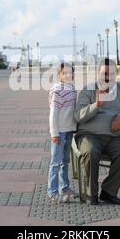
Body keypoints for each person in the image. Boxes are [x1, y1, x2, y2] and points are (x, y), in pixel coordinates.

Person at [74, 59, 120, 205]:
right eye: (104, 73)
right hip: (89, 135)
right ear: (98, 74)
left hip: (113, 137)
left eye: (111, 73)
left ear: (116, 74)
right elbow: (78, 115)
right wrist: (96, 105)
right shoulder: (88, 90)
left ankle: (108, 192)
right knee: (92, 151)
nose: (108, 77)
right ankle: (91, 193)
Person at [47, 63, 78, 204]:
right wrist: (54, 133)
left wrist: (75, 126)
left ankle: (64, 188)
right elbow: (53, 114)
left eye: (70, 73)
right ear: (59, 75)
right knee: (55, 162)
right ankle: (52, 192)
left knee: (65, 161)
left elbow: (73, 110)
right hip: (59, 132)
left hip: (69, 130)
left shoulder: (72, 89)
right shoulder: (57, 90)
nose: (68, 75)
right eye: (64, 73)